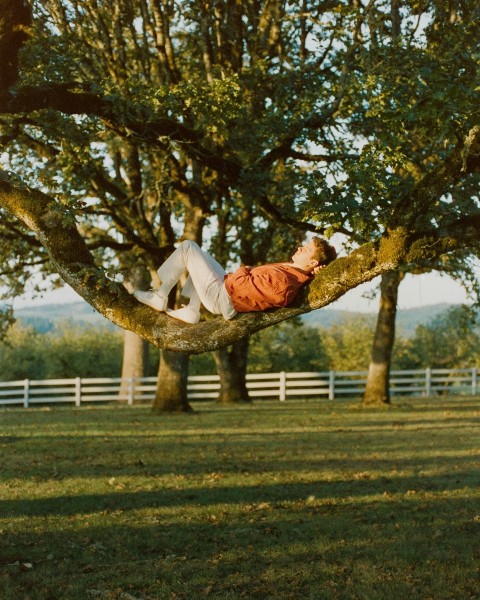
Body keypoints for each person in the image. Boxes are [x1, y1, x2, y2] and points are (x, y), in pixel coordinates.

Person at [133, 237, 337, 324]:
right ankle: (191, 309)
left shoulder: (284, 283)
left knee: (188, 247)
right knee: (200, 256)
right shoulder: (294, 271)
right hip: (226, 287)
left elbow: (243, 286)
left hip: (222, 297)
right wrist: (314, 273)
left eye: (306, 249)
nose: (300, 248)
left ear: (312, 262)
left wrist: (243, 270)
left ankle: (160, 297)